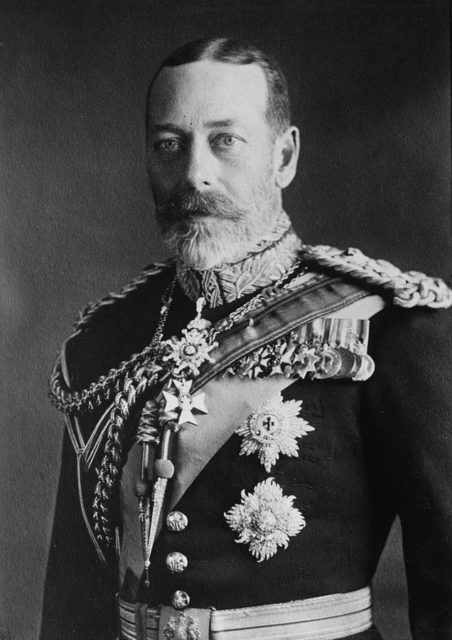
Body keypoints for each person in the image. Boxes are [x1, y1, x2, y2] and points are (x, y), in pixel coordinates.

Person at [41, 38, 452, 640]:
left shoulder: (388, 329)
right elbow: (73, 605)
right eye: (168, 144)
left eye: (225, 140)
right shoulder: (106, 342)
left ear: (284, 156)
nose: (194, 174)